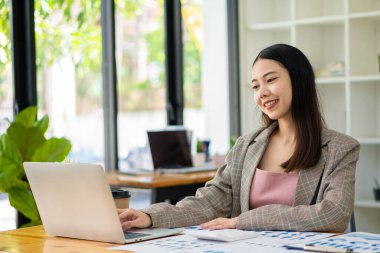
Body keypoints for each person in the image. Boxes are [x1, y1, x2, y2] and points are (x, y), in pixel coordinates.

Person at [118, 44, 360, 232]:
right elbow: (210, 202)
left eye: (271, 80)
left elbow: (334, 214)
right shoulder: (247, 145)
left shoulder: (341, 148)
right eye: (255, 86)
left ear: (299, 80)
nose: (262, 92)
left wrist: (243, 221)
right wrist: (151, 217)